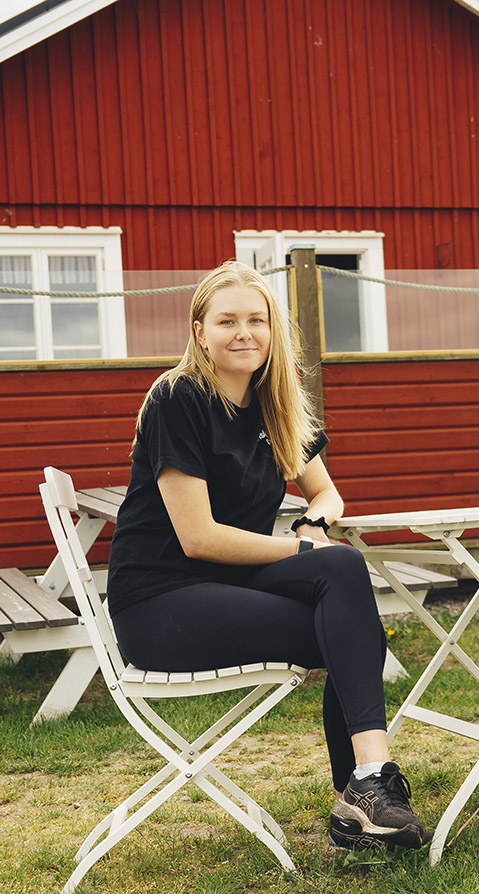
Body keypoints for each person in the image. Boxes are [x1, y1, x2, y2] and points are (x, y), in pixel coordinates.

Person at [106, 261, 426, 854]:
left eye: (257, 320)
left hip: (232, 587)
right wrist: (301, 544)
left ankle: (367, 784)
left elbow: (326, 490)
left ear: (274, 330)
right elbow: (198, 537)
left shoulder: (273, 402)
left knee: (343, 574)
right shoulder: (178, 397)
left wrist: (314, 520)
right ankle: (366, 792)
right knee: (351, 620)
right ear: (200, 330)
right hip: (160, 603)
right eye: (227, 320)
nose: (244, 332)